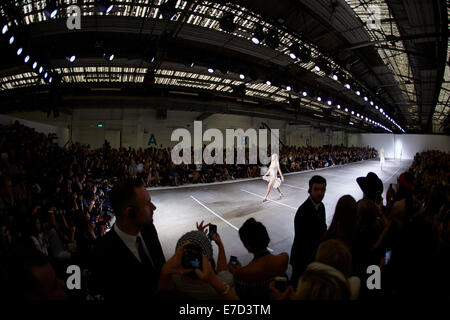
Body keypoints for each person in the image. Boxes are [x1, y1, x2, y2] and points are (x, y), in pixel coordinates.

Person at [89, 178, 166, 300]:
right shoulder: (103, 252)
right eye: (147, 203)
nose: (154, 207)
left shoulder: (148, 229)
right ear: (129, 213)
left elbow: (160, 266)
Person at [230, 218, 289, 300]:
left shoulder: (242, 274)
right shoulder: (284, 258)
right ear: (267, 238)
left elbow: (241, 295)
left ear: (248, 246)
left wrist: (237, 272)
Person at [290, 175, 327, 287]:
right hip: (302, 258)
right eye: (316, 189)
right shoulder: (303, 211)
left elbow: (322, 228)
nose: (320, 193)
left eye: (322, 189)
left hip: (313, 257)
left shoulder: (321, 206)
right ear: (310, 190)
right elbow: (303, 240)